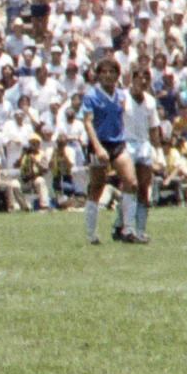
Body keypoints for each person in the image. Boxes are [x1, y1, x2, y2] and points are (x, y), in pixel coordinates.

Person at [80, 53, 140, 246]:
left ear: (117, 75)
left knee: (131, 182)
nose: (107, 75)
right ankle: (91, 233)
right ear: (98, 75)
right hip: (100, 144)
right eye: (103, 72)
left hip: (118, 144)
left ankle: (128, 229)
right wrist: (97, 148)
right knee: (97, 187)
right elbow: (88, 123)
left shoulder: (121, 95)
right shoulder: (91, 95)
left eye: (111, 72)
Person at [118, 70, 157, 243]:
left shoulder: (150, 101)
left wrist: (159, 151)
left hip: (144, 146)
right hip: (126, 145)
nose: (143, 80)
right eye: (140, 77)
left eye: (146, 77)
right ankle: (127, 229)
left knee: (143, 188)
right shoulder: (122, 97)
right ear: (132, 80)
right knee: (130, 184)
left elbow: (154, 127)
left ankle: (139, 229)